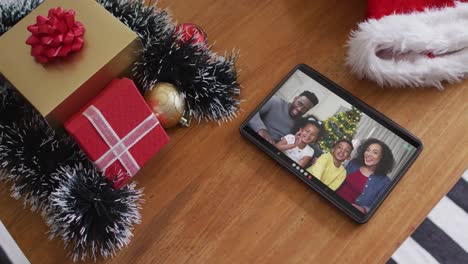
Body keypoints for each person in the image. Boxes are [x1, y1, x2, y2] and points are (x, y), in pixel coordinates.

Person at [336, 138, 395, 214]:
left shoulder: (384, 182)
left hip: (349, 213)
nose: (369, 154)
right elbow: (336, 180)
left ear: (382, 158)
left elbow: (373, 209)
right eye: (367, 150)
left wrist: (349, 206)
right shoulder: (353, 164)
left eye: (375, 152)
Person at [248, 91, 319, 144]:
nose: (299, 109)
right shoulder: (275, 102)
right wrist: (261, 129)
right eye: (299, 103)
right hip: (253, 137)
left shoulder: (300, 123)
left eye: (305, 109)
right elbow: (251, 111)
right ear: (295, 98)